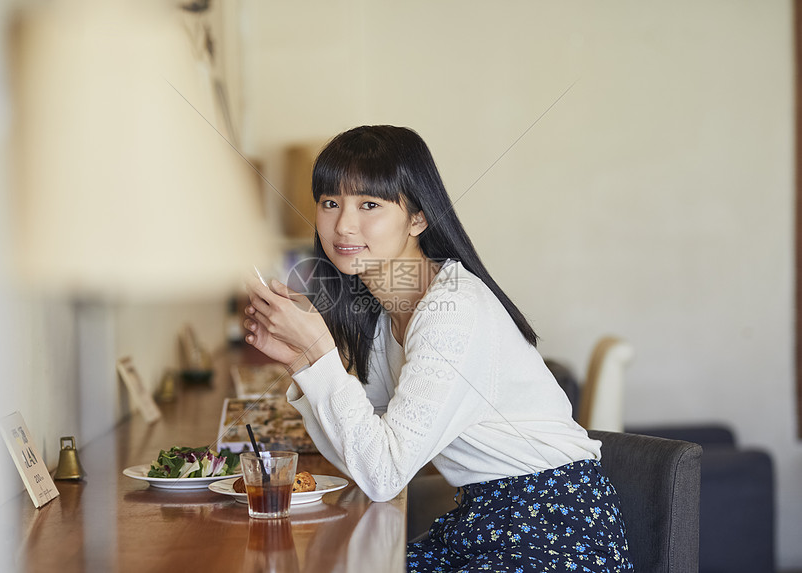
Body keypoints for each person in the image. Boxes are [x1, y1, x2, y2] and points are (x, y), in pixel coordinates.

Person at [244, 125, 633, 572]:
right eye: (330, 202)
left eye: (369, 204)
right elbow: (364, 456)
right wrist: (301, 361)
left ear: (418, 218)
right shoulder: (383, 310)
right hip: (483, 520)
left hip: (552, 528)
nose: (343, 224)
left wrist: (318, 351)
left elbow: (382, 475)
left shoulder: (452, 312)